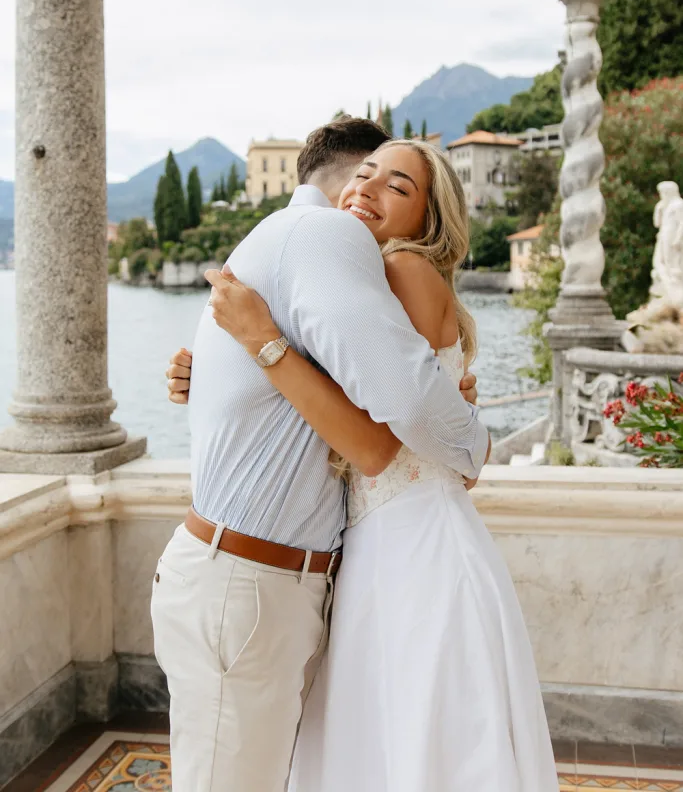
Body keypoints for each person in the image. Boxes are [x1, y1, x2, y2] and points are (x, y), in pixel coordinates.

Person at [168, 138, 558, 792]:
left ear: (427, 219)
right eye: (363, 175)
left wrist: (260, 343)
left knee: (401, 746)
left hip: (406, 545)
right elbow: (338, 392)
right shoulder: (365, 284)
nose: (364, 191)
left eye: (396, 188)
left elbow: (375, 435)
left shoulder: (403, 269)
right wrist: (209, 370)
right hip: (386, 540)